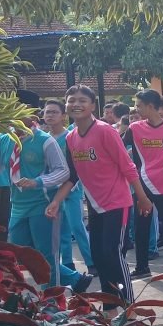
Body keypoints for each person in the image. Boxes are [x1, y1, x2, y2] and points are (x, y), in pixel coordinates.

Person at [46, 86, 152, 304]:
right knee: (99, 256)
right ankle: (110, 305)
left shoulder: (105, 131)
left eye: (82, 100)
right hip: (95, 205)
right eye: (71, 100)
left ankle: (129, 306)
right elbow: (72, 175)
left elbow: (128, 167)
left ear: (93, 105)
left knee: (112, 253)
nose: (77, 104)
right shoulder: (71, 137)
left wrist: (142, 198)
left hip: (117, 203)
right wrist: (56, 201)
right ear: (66, 106)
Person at [0, 123, 94, 293]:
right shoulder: (4, 140)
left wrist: (37, 182)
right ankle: (75, 279)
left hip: (43, 205)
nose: (13, 120)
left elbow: (63, 172)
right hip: (18, 206)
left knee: (47, 255)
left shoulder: (45, 140)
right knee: (21, 254)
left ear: (31, 116)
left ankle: (51, 301)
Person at [123, 90, 163, 279]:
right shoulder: (134, 128)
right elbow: (119, 146)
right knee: (141, 227)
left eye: (139, 105)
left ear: (150, 106)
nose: (136, 109)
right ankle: (142, 266)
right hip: (142, 184)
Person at [43, 99, 95, 275]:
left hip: (72, 188)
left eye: (54, 112)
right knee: (60, 230)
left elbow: (78, 164)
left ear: (63, 116)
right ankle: (67, 264)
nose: (50, 115)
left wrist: (72, 185)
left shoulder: (70, 137)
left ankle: (91, 262)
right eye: (47, 112)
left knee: (76, 226)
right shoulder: (43, 138)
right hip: (52, 190)